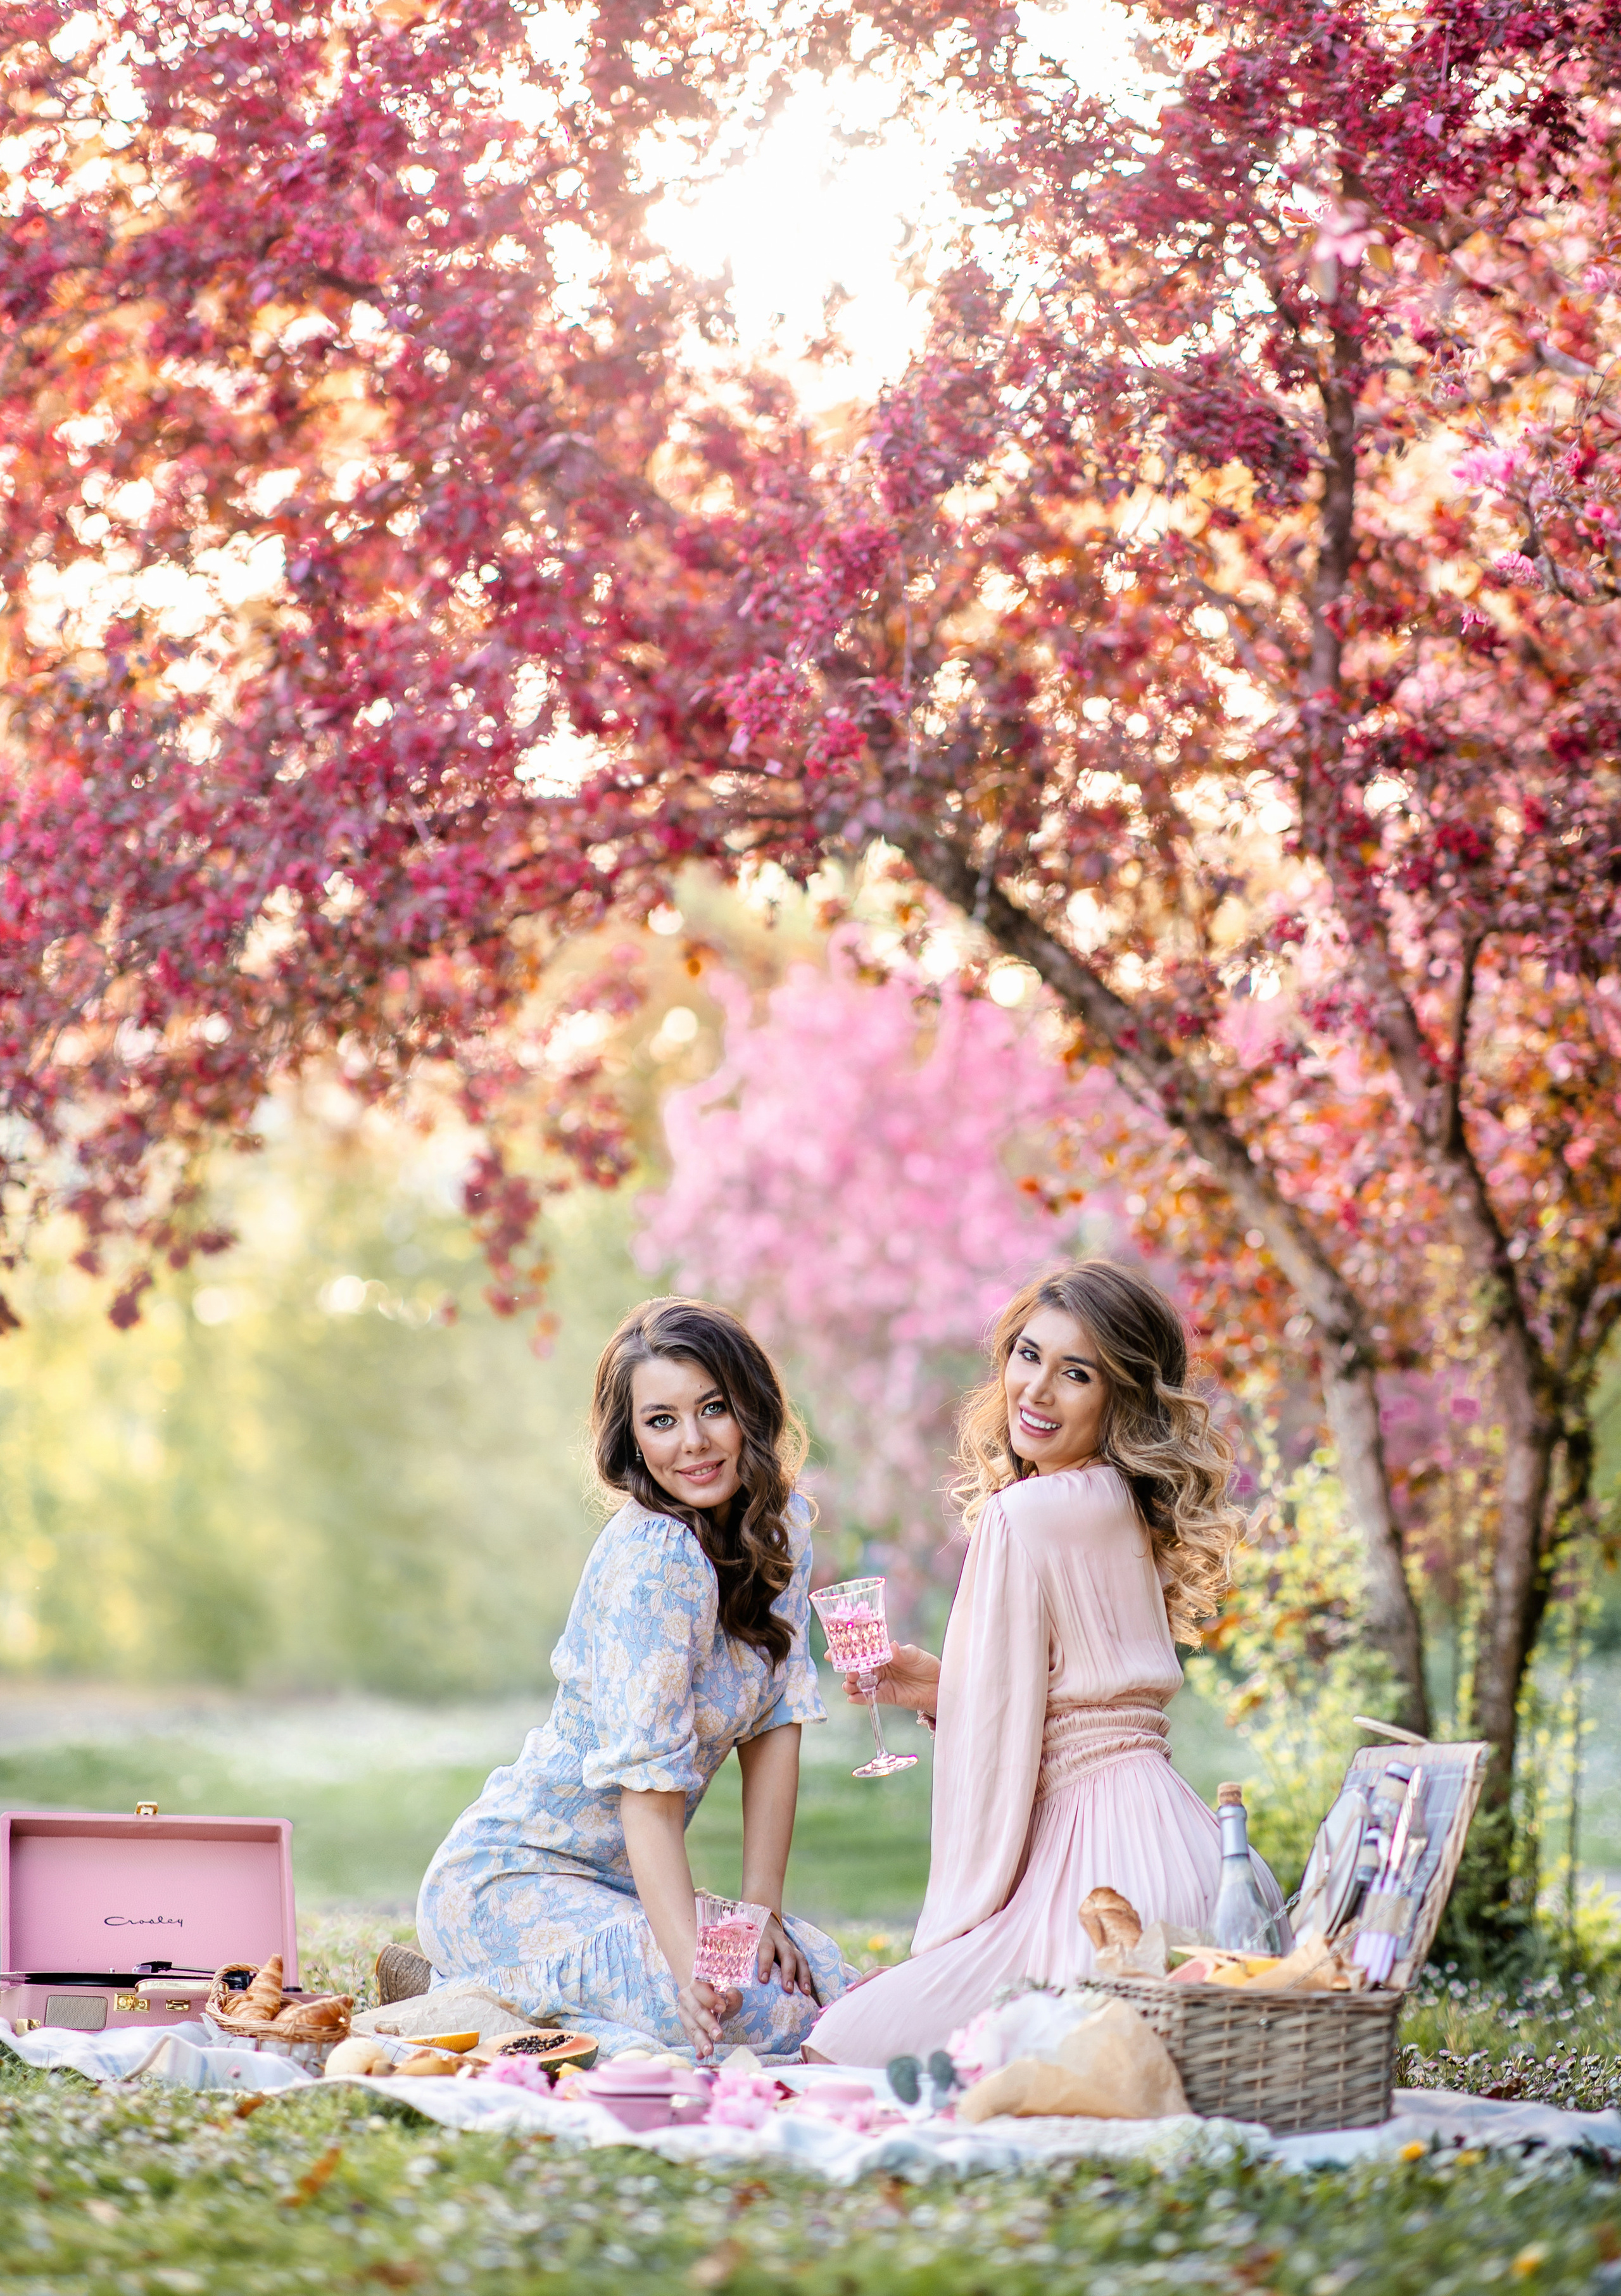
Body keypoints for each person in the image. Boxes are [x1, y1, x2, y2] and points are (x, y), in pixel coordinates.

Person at [805, 1259, 1285, 2066]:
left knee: (839, 2045)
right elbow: (1071, 1700)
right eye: (1028, 1355)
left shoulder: (1023, 1512)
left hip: (1104, 1886)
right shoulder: (1119, 1500)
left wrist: (950, 1932)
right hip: (1199, 1863)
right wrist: (938, 1686)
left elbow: (995, 1759)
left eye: (1075, 1372)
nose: (1036, 1389)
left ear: (1121, 1397)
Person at [417, 1297, 852, 2060]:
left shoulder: (779, 1528)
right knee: (759, 2013)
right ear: (632, 1438)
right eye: (661, 1420)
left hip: (623, 1891)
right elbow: (647, 1798)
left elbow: (775, 1726)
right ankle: (463, 1997)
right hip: (510, 1877)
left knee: (816, 1975)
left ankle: (501, 1999)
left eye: (712, 1407)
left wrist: (759, 1912)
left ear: (749, 1403)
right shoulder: (656, 1557)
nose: (693, 1442)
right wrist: (692, 1971)